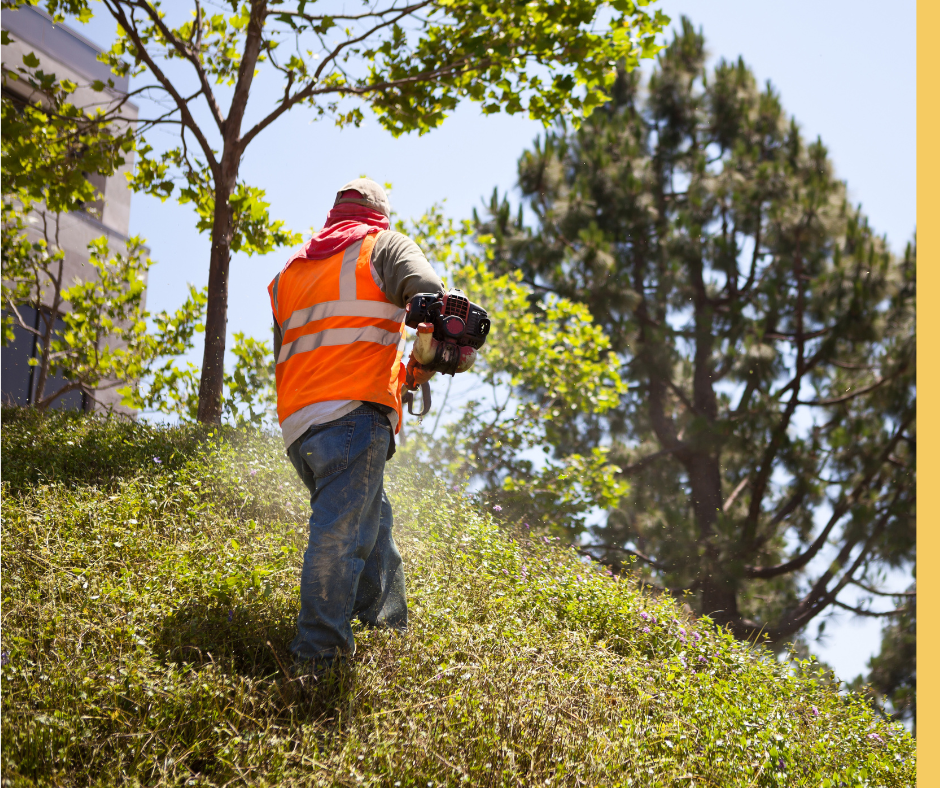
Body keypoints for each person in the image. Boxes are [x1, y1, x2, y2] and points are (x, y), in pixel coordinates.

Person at [268, 178, 447, 679]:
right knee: (340, 536)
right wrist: (430, 356)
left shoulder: (290, 270)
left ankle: (385, 630)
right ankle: (317, 661)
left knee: (373, 523)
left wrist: (406, 374)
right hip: (354, 417)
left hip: (301, 426)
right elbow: (432, 301)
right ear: (379, 214)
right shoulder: (384, 245)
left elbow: (315, 347)